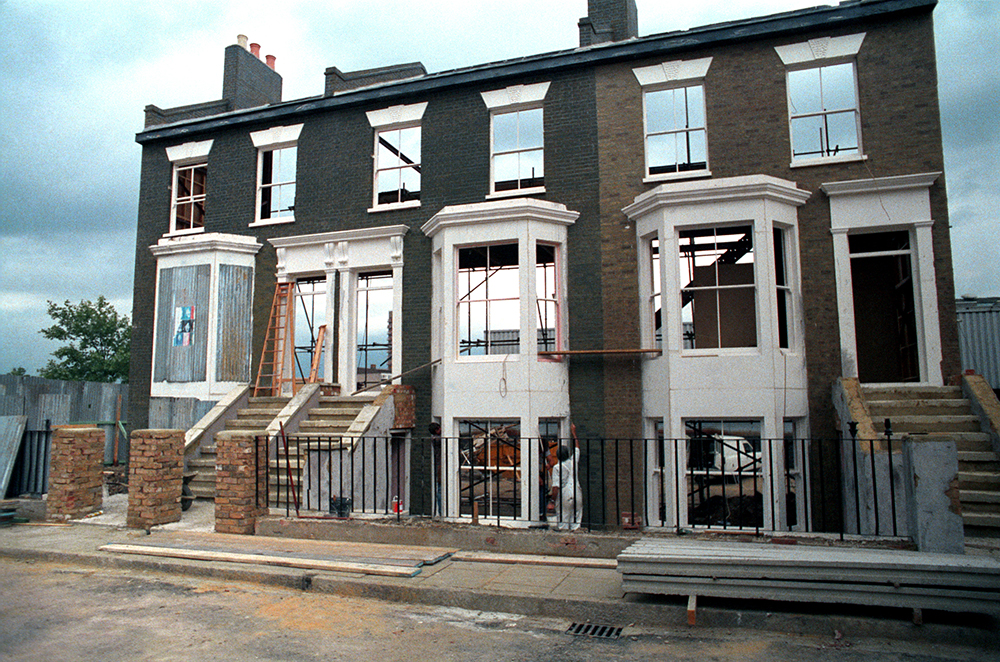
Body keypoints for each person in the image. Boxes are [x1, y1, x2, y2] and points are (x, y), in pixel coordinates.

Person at [549, 423, 582, 530]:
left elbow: (555, 487)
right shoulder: (574, 462)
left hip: (565, 495)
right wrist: (574, 433)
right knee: (576, 520)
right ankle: (576, 536)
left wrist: (552, 501)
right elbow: (577, 448)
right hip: (577, 492)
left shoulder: (557, 468)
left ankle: (564, 540)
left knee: (563, 519)